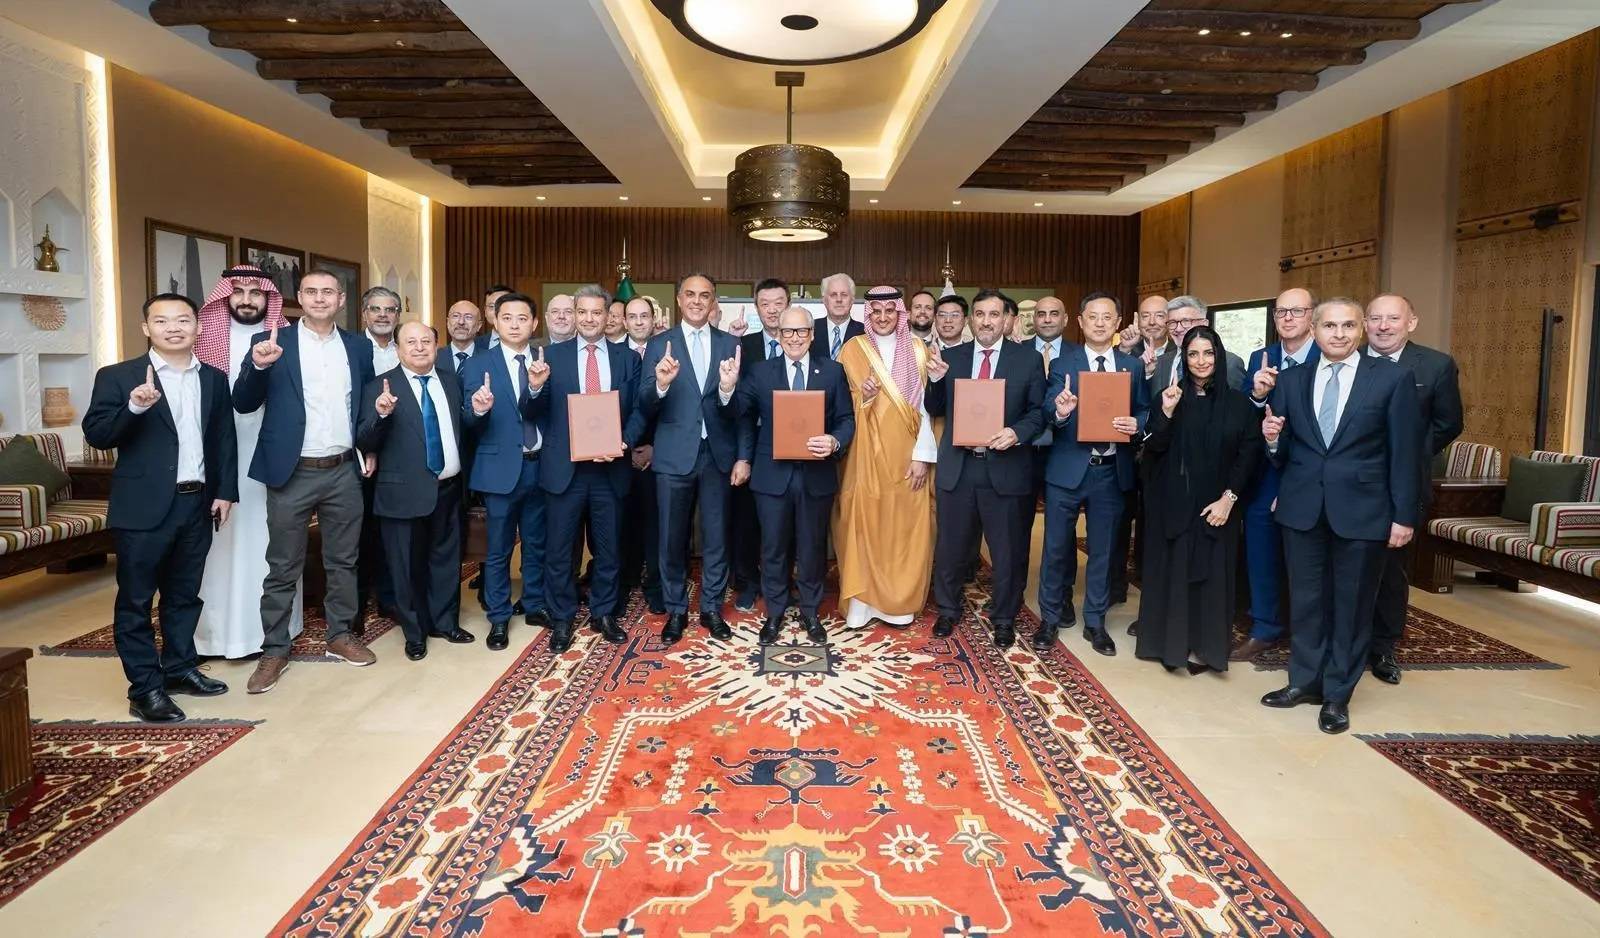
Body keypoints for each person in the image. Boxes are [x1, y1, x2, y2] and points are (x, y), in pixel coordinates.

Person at [1260, 297, 1419, 734]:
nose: (1339, 334)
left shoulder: (1391, 378)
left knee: (1351, 606)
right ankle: (1304, 681)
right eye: (1330, 326)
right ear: (1313, 329)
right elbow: (1283, 453)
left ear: (1360, 329)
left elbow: (1405, 454)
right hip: (1302, 508)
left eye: (1348, 325)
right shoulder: (1292, 380)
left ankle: (1336, 695)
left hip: (1364, 512)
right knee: (1306, 601)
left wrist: (1403, 517)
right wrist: (1271, 439)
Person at [84, 293, 239, 722]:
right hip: (143, 507)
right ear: (146, 328)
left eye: (183, 320)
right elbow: (97, 434)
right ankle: (145, 689)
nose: (174, 328)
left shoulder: (213, 378)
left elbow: (223, 438)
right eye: (162, 320)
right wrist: (134, 407)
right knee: (136, 601)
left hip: (197, 502)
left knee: (184, 596)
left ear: (198, 327)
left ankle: (179, 668)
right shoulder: (118, 376)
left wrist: (225, 491)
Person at [234, 269, 377, 693]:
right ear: (300, 297)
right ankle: (275, 649)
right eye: (311, 292)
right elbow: (243, 402)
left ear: (340, 300)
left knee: (344, 560)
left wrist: (369, 447)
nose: (319, 298)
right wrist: (258, 367)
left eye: (327, 292)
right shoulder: (270, 342)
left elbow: (363, 405)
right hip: (291, 471)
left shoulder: (357, 347)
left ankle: (340, 635)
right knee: (283, 565)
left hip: (343, 470)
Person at [925, 289, 1047, 648]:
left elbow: (1038, 412)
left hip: (1006, 468)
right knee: (950, 547)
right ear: (970, 320)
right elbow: (935, 408)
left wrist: (1017, 433)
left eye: (994, 315)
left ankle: (1005, 617)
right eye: (980, 315)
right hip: (960, 468)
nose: (987, 322)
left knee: (1007, 551)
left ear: (1006, 319)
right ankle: (948, 609)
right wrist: (935, 381)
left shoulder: (1027, 360)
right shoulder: (951, 357)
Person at [1135, 327, 1260, 673]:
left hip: (1218, 506)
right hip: (1174, 505)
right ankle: (1170, 645)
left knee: (1211, 577)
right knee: (1173, 573)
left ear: (1218, 356)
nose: (1201, 361)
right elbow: (1154, 448)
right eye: (1193, 354)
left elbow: (1248, 455)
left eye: (1208, 353)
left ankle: (1206, 648)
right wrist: (1167, 412)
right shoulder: (1170, 396)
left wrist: (1228, 499)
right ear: (1184, 359)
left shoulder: (1238, 404)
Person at [527, 285, 642, 652]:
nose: (589, 319)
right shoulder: (550, 356)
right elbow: (532, 411)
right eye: (582, 312)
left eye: (597, 312)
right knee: (560, 550)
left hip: (610, 469)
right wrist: (534, 388)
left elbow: (640, 409)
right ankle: (562, 617)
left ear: (608, 316)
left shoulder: (628, 358)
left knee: (609, 549)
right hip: (565, 470)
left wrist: (624, 441)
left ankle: (603, 613)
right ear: (574, 315)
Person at [192, 266, 298, 659]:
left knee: (270, 538)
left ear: (269, 297)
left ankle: (269, 628)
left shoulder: (283, 338)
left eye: (256, 292)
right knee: (216, 542)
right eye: (238, 291)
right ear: (226, 296)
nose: (247, 299)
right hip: (215, 450)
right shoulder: (201, 338)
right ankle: (215, 635)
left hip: (267, 448)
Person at [1037, 292, 1147, 656]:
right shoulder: (1062, 364)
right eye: (1093, 317)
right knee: (1055, 548)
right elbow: (1048, 411)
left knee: (1104, 551)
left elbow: (1145, 410)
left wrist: (1137, 423)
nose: (1100, 323)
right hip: (1067, 470)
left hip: (1111, 471)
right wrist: (1062, 411)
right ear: (1081, 322)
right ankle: (1050, 618)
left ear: (1117, 323)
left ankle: (1095, 622)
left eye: (1107, 317)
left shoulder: (1131, 367)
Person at [355, 321, 473, 661]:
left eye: (426, 341)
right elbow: (364, 440)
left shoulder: (450, 380)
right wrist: (381, 415)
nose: (420, 347)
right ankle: (415, 632)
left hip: (449, 488)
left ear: (437, 346)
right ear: (398, 348)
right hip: (402, 493)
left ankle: (445, 623)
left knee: (446, 560)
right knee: (405, 567)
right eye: (411, 342)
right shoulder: (378, 387)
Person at [636, 273, 743, 645]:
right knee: (671, 538)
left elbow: (740, 409)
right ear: (679, 299)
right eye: (691, 294)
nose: (697, 301)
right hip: (673, 456)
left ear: (714, 302)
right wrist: (661, 384)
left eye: (705, 295)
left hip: (716, 455)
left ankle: (711, 607)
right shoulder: (659, 344)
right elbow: (644, 402)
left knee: (716, 537)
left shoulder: (730, 344)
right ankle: (676, 609)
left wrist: (727, 390)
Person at [737, 305, 855, 643]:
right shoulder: (760, 372)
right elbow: (740, 413)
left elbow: (846, 419)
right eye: (787, 331)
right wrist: (728, 388)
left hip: (816, 476)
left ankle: (810, 612)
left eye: (801, 331)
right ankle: (774, 613)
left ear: (812, 334)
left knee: (812, 548)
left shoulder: (832, 371)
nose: (794, 338)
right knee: (773, 548)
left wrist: (834, 440)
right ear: (778, 334)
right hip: (771, 476)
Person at [1363, 293, 1463, 684]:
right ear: (1365, 324)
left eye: (1393, 318)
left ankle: (1383, 647)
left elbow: (1449, 422)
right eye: (1375, 318)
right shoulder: (1348, 360)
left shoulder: (1436, 365)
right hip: (1352, 484)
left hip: (1401, 487)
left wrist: (1407, 452)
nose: (1383, 326)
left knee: (1391, 571)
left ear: (1411, 323)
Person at [835, 286, 937, 631]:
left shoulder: (919, 350)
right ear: (868, 314)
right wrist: (862, 396)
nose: (882, 318)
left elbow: (927, 409)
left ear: (899, 313)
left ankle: (898, 602)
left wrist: (923, 455)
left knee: (903, 529)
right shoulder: (853, 349)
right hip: (864, 456)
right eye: (875, 311)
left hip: (908, 457)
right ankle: (862, 603)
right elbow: (838, 405)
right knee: (862, 525)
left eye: (889, 311)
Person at [1233, 287, 1323, 660]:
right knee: (1261, 549)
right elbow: (1243, 416)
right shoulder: (1261, 356)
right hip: (1265, 471)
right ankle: (1264, 626)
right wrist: (1257, 395)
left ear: (1313, 316)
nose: (1287, 318)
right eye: (1281, 312)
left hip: (1311, 473)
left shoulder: (1328, 355)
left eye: (1297, 311)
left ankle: (1310, 632)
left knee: (1310, 558)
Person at [460, 292, 551, 651]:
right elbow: (469, 420)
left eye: (522, 318)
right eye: (507, 318)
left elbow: (551, 412)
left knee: (536, 543)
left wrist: (537, 388)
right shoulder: (478, 364)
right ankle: (498, 616)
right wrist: (479, 410)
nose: (515, 325)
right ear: (495, 322)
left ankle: (533, 603)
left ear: (534, 323)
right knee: (497, 549)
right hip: (499, 470)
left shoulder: (546, 360)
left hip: (539, 465)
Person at [731, 278, 793, 612]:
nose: (772, 310)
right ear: (757, 308)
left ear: (788, 305)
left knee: (786, 519)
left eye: (778, 303)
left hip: (792, 446)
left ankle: (782, 583)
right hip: (749, 443)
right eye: (765, 304)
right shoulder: (742, 345)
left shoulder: (801, 343)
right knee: (746, 519)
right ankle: (748, 582)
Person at [1109, 293, 1169, 608]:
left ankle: (1151, 583)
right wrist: (1125, 351)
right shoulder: (1125, 353)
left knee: (1154, 522)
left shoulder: (1183, 353)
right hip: (1127, 453)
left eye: (1159, 315)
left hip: (1165, 454)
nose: (1152, 322)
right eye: (1145, 316)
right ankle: (1116, 584)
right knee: (1121, 519)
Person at [356, 285, 404, 625]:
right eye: (376, 309)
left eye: (390, 310)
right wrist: (366, 448)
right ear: (364, 314)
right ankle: (355, 607)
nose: (383, 315)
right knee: (359, 532)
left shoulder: (407, 348)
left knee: (392, 530)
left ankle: (389, 599)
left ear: (398, 316)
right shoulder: (352, 349)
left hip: (399, 452)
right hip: (362, 453)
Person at [618, 296, 664, 614]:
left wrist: (655, 449)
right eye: (632, 316)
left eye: (644, 316)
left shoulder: (667, 352)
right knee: (621, 524)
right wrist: (625, 445)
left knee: (656, 525)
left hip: (660, 453)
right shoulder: (614, 355)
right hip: (618, 452)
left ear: (653, 319)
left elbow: (677, 407)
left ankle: (656, 587)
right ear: (624, 321)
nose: (638, 322)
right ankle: (624, 582)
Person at [1026, 296, 1069, 541]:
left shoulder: (1079, 354)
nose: (1047, 319)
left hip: (1066, 450)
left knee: (1062, 528)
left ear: (1065, 319)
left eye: (1054, 314)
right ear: (1034, 319)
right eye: (1041, 314)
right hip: (1023, 451)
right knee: (1018, 524)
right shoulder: (1016, 352)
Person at [1148, 296, 1246, 398]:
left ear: (1204, 324)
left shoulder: (1230, 363)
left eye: (1186, 321)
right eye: (1172, 323)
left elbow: (1236, 404)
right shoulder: (1160, 362)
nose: (1178, 329)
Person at [811, 272, 864, 361]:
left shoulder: (864, 333)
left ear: (852, 300)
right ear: (824, 300)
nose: (839, 299)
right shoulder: (810, 330)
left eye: (844, 295)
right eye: (833, 295)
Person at [441, 300, 491, 372]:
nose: (461, 322)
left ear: (479, 326)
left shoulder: (491, 359)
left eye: (468, 317)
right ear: (448, 323)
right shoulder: (434, 358)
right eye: (456, 316)